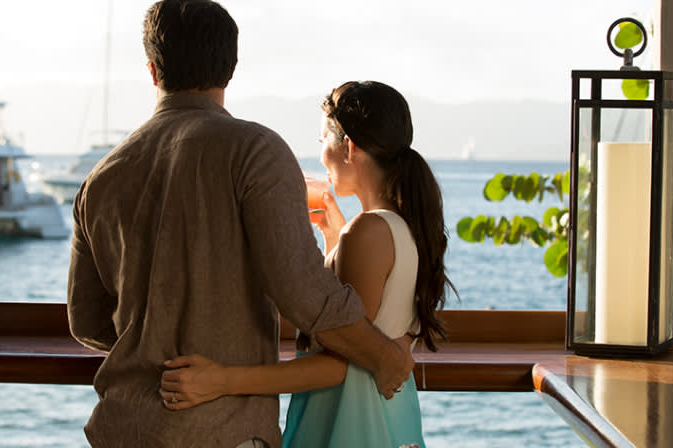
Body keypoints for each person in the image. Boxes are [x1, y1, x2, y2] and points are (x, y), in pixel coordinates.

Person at [67, 0, 414, 448]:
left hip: (121, 429)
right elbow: (305, 294)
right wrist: (385, 355)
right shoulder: (255, 151)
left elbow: (87, 320)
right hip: (223, 433)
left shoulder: (101, 177)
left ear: (153, 69)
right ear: (230, 69)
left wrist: (163, 331)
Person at [159, 81, 456, 448]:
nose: (320, 157)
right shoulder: (404, 225)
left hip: (349, 421)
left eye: (321, 143)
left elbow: (337, 364)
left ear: (348, 147)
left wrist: (222, 381)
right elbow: (375, 322)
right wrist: (335, 237)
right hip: (384, 415)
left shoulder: (367, 232)